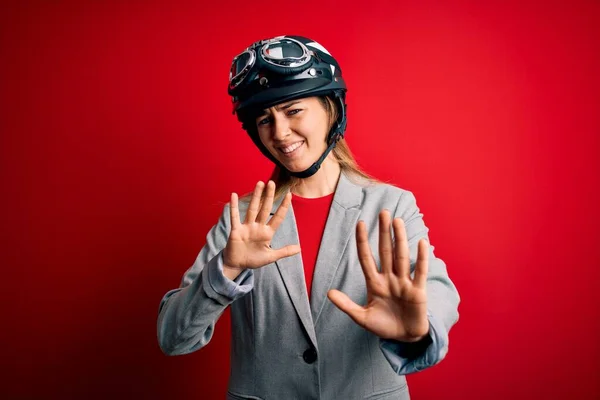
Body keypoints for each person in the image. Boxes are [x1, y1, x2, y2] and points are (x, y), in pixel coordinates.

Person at [157, 35, 460, 400]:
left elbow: (437, 292)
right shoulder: (240, 219)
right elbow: (173, 338)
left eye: (293, 110)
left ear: (331, 108)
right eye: (265, 119)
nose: (280, 133)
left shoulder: (391, 204)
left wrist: (418, 330)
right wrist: (224, 272)